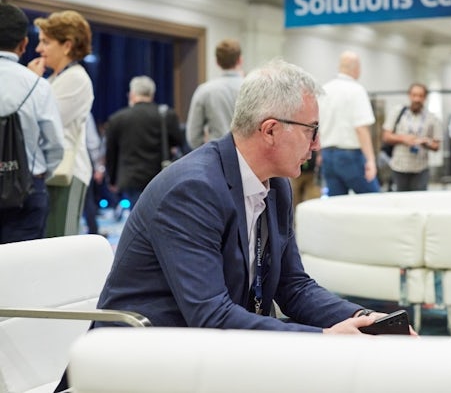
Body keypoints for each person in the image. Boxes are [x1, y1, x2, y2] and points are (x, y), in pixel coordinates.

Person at [95, 58, 391, 333]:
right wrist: (324, 336)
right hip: (146, 352)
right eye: (311, 131)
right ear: (270, 130)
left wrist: (364, 319)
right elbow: (211, 316)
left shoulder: (276, 184)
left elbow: (293, 286)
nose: (316, 145)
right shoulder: (192, 191)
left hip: (213, 342)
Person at [0, 3, 64, 243]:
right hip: (26, 190)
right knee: (22, 271)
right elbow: (55, 144)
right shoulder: (37, 85)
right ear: (24, 43)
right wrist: (40, 176)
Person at [27, 10, 94, 237]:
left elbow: (42, 123)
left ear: (67, 45)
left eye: (46, 42)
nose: (38, 49)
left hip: (68, 173)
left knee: (61, 243)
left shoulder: (76, 78)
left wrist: (32, 82)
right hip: (54, 172)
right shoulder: (56, 78)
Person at [105, 76, 183, 209]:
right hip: (159, 175)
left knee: (137, 216)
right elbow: (179, 142)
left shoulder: (117, 119)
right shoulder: (166, 115)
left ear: (132, 94)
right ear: (152, 94)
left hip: (130, 178)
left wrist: (112, 180)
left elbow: (111, 153)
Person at [317, 50, 380, 196]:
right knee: (373, 200)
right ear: (357, 68)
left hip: (328, 156)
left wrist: (320, 153)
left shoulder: (324, 90)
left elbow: (317, 126)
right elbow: (361, 128)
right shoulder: (357, 90)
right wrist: (370, 160)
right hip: (350, 156)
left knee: (337, 204)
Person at [381, 83, 442, 191]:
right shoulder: (397, 113)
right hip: (399, 167)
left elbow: (436, 146)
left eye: (420, 96)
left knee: (419, 201)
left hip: (421, 169)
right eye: (414, 95)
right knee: (401, 201)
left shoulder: (432, 118)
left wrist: (425, 142)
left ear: (425, 98)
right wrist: (404, 139)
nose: (417, 99)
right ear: (409, 95)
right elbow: (386, 137)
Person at [185, 38, 244, 149]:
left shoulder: (204, 91)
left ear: (217, 62)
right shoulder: (253, 88)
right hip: (249, 156)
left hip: (217, 155)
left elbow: (193, 136)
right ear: (240, 60)